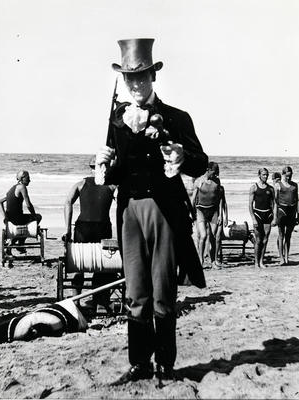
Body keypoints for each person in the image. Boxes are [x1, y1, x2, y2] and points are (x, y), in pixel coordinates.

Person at [96, 38, 208, 384]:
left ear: (153, 77)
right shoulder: (117, 119)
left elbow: (200, 163)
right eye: (130, 79)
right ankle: (139, 364)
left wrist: (181, 157)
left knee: (163, 292)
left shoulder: (177, 117)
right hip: (129, 211)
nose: (136, 84)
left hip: (164, 212)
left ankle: (166, 365)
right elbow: (116, 173)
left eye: (141, 77)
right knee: (136, 293)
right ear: (124, 82)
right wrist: (103, 168)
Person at [64, 156, 116, 311]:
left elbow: (67, 202)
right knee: (103, 266)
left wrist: (67, 229)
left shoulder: (80, 184)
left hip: (82, 228)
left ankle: (76, 300)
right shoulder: (112, 186)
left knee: (79, 264)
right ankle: (99, 302)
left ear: (91, 167)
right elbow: (123, 206)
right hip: (102, 228)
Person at [0, 170, 42, 253]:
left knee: (29, 219)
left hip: (9, 219)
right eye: (28, 178)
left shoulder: (12, 189)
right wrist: (34, 216)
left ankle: (16, 243)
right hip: (17, 219)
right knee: (39, 217)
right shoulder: (22, 187)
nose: (29, 180)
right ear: (22, 178)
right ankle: (18, 243)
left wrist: (5, 217)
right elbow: (28, 205)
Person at [192, 162, 223, 268]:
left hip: (213, 212)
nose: (215, 175)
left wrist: (220, 215)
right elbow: (193, 199)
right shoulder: (199, 181)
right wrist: (191, 213)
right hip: (201, 211)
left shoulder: (217, 181)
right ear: (208, 170)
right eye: (214, 173)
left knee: (212, 237)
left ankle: (213, 261)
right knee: (203, 235)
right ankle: (200, 260)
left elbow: (219, 199)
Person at [249, 168, 275, 268]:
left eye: (267, 175)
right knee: (258, 240)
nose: (265, 176)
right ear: (259, 175)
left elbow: (274, 204)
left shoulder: (270, 189)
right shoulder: (254, 188)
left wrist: (274, 217)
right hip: (258, 215)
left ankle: (261, 261)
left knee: (265, 239)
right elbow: (250, 205)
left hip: (268, 215)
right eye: (263, 175)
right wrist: (253, 218)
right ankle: (256, 262)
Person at [274, 166, 298, 265]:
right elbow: (275, 202)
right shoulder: (278, 185)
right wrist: (275, 217)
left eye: (290, 175)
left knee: (288, 235)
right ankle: (281, 257)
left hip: (292, 211)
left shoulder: (295, 185)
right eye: (287, 176)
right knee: (281, 235)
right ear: (283, 174)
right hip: (281, 210)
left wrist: (298, 214)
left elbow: (297, 201)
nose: (289, 177)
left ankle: (287, 256)